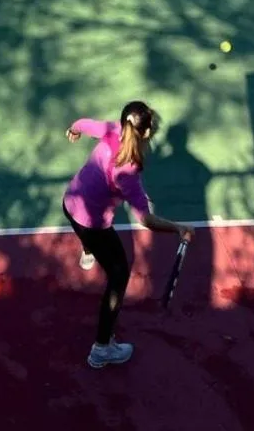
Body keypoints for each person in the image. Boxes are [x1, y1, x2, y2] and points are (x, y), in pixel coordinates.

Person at [62, 101, 192, 369]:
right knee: (119, 274)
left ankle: (87, 251)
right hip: (94, 225)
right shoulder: (130, 172)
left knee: (87, 235)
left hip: (70, 203)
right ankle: (101, 349)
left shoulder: (111, 130)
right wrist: (178, 228)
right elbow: (145, 219)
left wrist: (73, 130)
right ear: (144, 133)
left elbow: (84, 123)